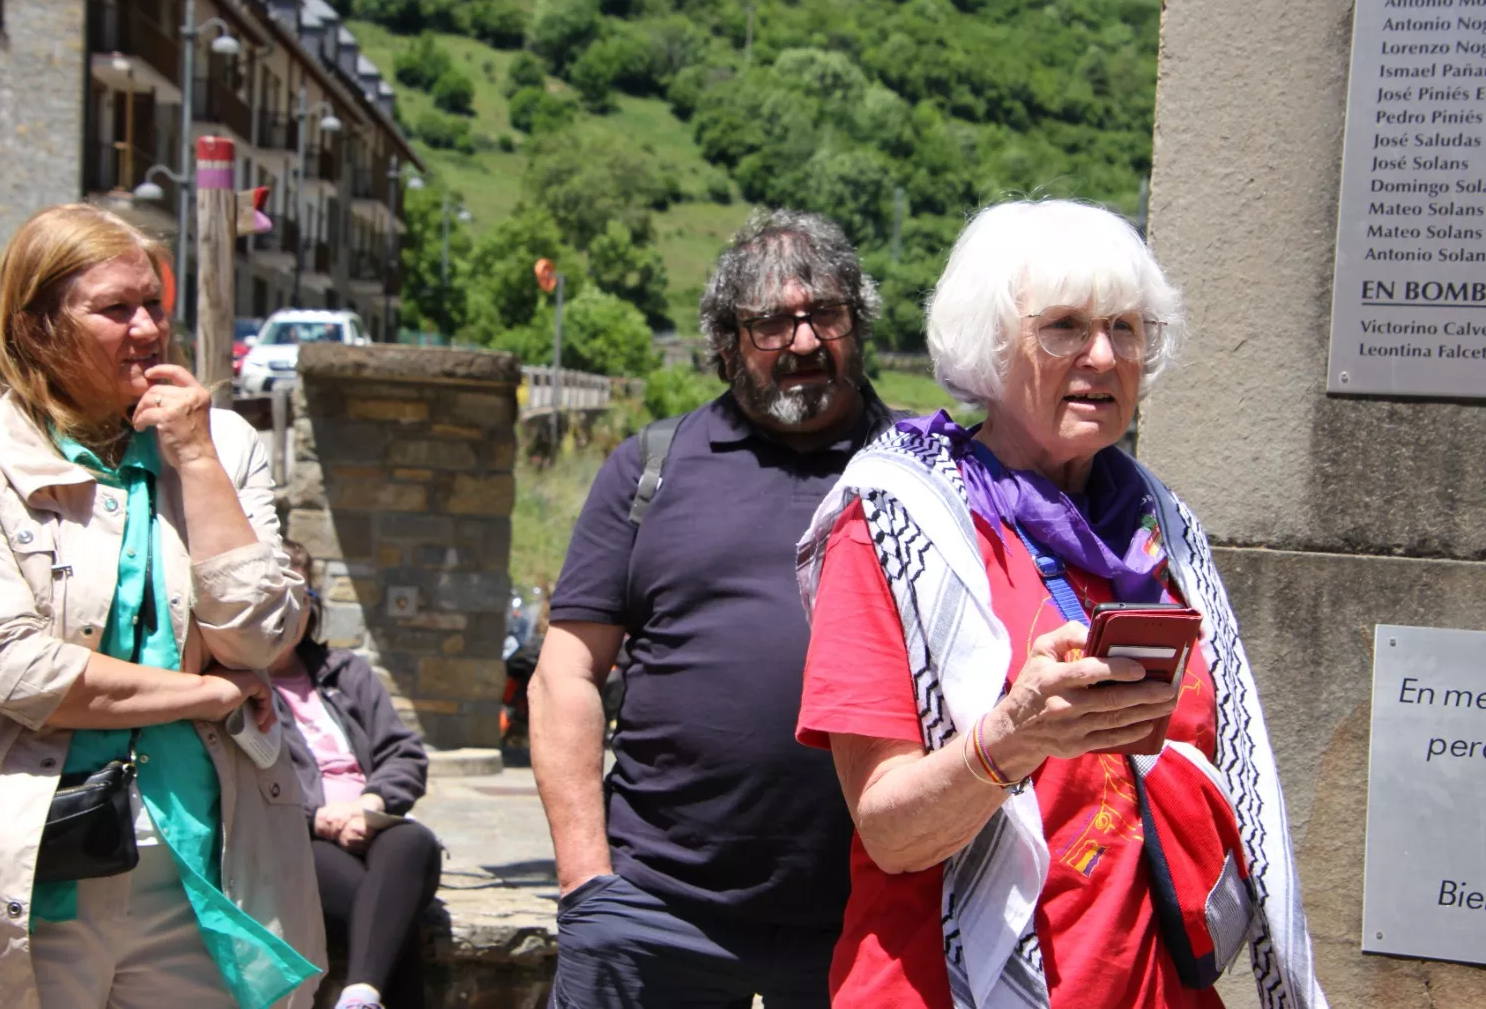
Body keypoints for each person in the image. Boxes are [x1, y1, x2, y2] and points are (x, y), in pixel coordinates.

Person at [795, 199, 1327, 1009]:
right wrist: (1011, 740)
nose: (1104, 357)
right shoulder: (897, 528)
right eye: (1065, 328)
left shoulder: (1164, 534)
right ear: (990, 343)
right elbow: (891, 833)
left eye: (1127, 328)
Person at [0, 204, 325, 1009]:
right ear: (36, 326)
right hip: (24, 867)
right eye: (116, 309)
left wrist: (193, 459)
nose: (149, 329)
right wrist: (209, 695)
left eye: (154, 304)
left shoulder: (221, 443)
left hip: (205, 867)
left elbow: (262, 637)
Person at [530, 209, 898, 1008]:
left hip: (870, 922)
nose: (803, 343)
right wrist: (587, 881)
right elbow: (566, 673)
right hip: (656, 914)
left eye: (825, 314)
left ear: (857, 322)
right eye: (771, 322)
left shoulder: (923, 471)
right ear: (727, 343)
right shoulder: (650, 469)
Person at [272, 538, 442, 1009]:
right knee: (389, 909)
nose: (289, 611)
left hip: (369, 822)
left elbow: (404, 753)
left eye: (300, 598)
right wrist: (317, 816)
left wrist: (370, 806)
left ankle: (361, 995)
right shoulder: (237, 686)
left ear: (312, 606)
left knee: (413, 842)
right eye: (275, 597)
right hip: (297, 837)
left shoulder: (345, 672)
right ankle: (365, 993)